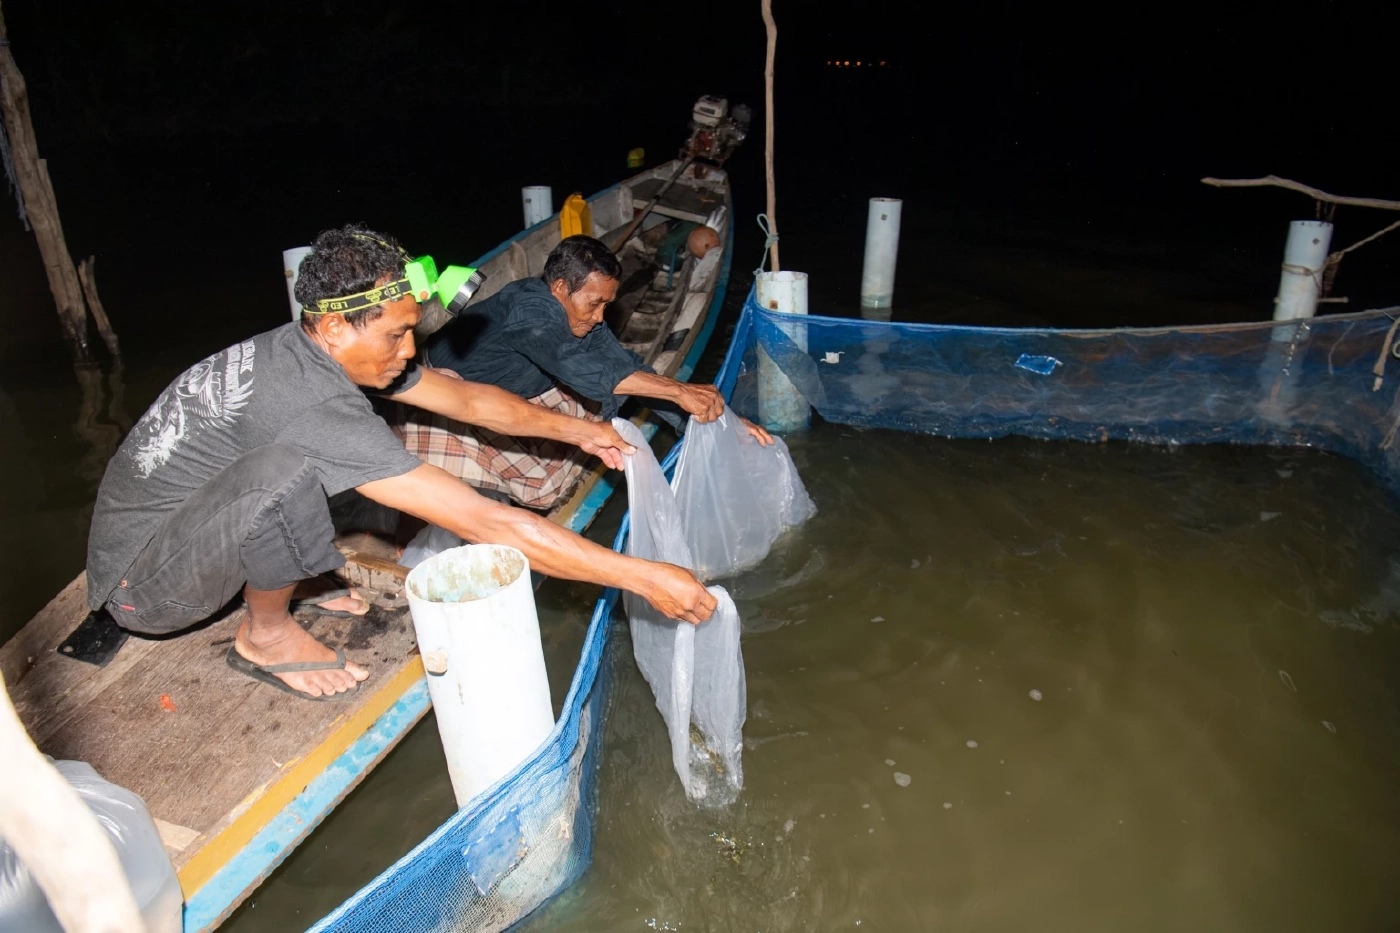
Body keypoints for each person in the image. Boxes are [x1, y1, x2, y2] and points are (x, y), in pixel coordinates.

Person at [85, 225, 716, 701]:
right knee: (284, 470)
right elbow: (485, 522)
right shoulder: (311, 402)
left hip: (185, 530)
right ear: (333, 330)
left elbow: (468, 397)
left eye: (412, 327)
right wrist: (642, 577)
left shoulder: (315, 347)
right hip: (144, 590)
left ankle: (282, 576)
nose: (409, 349)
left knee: (292, 464)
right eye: (394, 335)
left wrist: (580, 430)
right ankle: (266, 633)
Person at [400, 235, 772, 509]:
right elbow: (586, 371)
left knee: (612, 395)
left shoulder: (582, 316)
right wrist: (678, 391)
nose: (600, 317)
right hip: (454, 393)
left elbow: (625, 368)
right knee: (542, 488)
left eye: (606, 305)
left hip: (522, 382)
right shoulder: (531, 315)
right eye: (595, 304)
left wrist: (721, 423)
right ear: (560, 288)